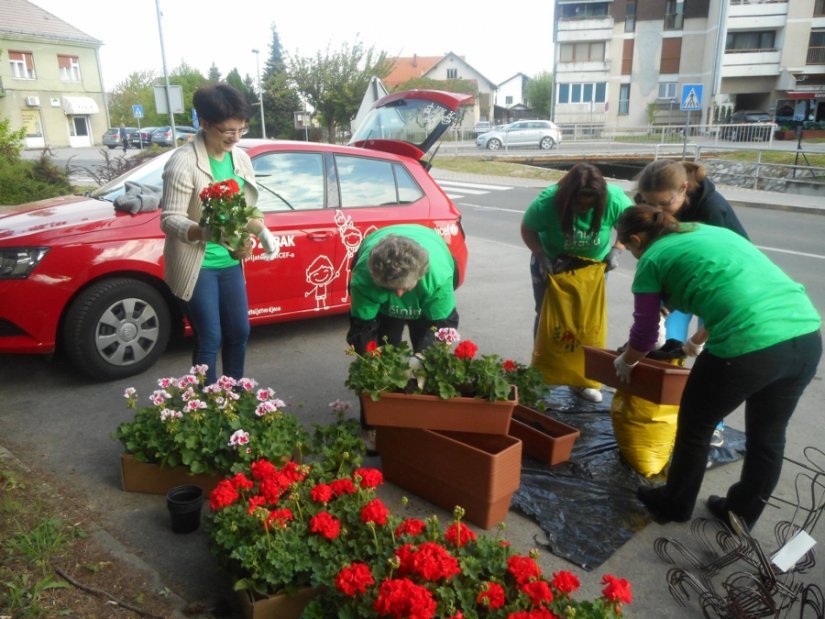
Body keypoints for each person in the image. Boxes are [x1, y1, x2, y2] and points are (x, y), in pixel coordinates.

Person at [613, 205, 821, 530]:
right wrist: (697, 339)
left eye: (630, 249)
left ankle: (675, 503)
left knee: (696, 427)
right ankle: (739, 515)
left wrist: (626, 361)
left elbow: (645, 334)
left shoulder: (652, 259)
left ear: (637, 239)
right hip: (805, 335)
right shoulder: (709, 232)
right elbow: (727, 290)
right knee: (768, 436)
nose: (635, 256)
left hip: (749, 345)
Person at [160, 83, 278, 385]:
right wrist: (203, 231)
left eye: (241, 130)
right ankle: (207, 402)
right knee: (210, 337)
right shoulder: (183, 162)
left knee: (239, 331)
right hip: (198, 264)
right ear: (204, 123)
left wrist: (261, 231)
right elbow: (169, 219)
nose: (235, 138)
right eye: (227, 131)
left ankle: (233, 393)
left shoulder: (240, 159)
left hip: (229, 263)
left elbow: (246, 211)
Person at [635, 159, 749, 447]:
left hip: (720, 286)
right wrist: (662, 299)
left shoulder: (713, 210)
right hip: (683, 280)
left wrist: (701, 336)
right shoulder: (652, 200)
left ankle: (715, 424)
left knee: (711, 358)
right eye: (650, 204)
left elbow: (725, 281)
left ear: (683, 188)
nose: (657, 211)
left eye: (663, 204)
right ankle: (671, 410)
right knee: (670, 347)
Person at [521, 162, 634, 403]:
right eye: (578, 203)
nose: (583, 209)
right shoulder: (547, 202)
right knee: (547, 319)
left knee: (585, 322)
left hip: (590, 271)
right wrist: (540, 254)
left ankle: (582, 379)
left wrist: (617, 249)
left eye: (589, 204)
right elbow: (527, 229)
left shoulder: (614, 199)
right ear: (566, 197)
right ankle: (543, 375)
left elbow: (631, 227)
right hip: (553, 265)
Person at [347, 224, 459, 450]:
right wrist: (373, 362)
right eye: (392, 288)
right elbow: (363, 329)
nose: (399, 294)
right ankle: (372, 425)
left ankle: (421, 422)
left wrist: (422, 357)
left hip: (426, 292)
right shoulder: (364, 279)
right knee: (381, 353)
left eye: (403, 288)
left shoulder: (437, 277)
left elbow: (443, 325)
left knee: (425, 356)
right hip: (382, 295)